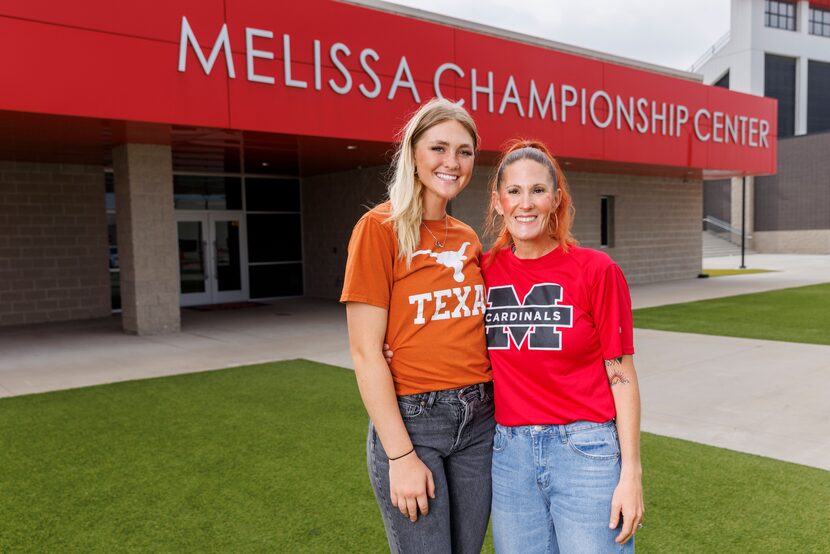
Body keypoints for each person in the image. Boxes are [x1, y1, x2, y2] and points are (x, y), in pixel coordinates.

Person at [340, 98, 494, 554]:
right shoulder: (378, 228)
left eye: (465, 152)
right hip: (414, 422)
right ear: (413, 152)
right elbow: (366, 352)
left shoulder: (467, 237)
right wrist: (401, 456)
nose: (453, 162)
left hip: (481, 418)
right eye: (439, 148)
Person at [484, 140, 644, 553]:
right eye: (514, 191)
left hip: (585, 452)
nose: (526, 203)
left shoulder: (597, 271)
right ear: (498, 202)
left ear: (556, 199)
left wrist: (631, 474)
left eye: (538, 190)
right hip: (510, 455)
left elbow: (621, 376)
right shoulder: (482, 272)